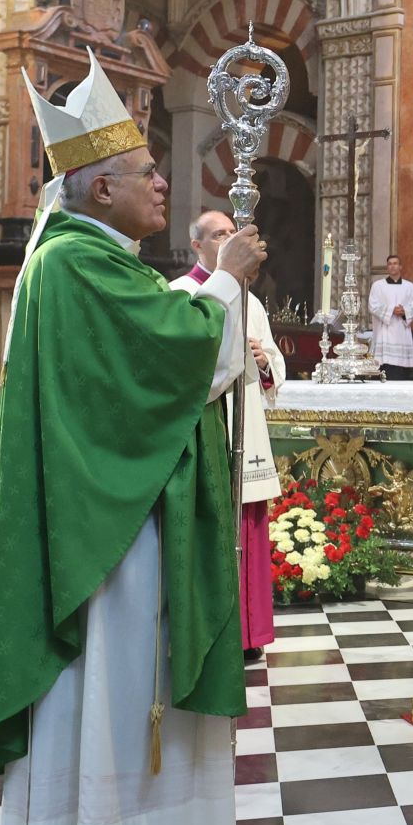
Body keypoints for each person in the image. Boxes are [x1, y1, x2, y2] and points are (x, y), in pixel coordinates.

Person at [0, 53, 265, 825]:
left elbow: (155, 338)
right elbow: (163, 357)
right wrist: (227, 283)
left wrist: (212, 293)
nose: (162, 184)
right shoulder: (73, 263)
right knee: (114, 667)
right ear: (98, 191)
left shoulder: (100, 261)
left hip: (124, 503)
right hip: (109, 524)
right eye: (144, 173)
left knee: (130, 673)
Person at [175, 209, 283, 662]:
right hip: (212, 428)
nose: (229, 239)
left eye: (231, 232)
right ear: (198, 245)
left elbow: (275, 369)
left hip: (248, 430)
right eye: (219, 234)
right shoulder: (181, 293)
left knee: (250, 528)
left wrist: (262, 362)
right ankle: (216, 634)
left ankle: (250, 633)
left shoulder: (250, 300)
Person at [368, 254, 413, 380]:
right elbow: (372, 305)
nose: (392, 266)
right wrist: (391, 310)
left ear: (400, 267)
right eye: (390, 264)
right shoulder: (378, 286)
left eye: (395, 263)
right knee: (385, 365)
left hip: (401, 332)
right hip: (384, 331)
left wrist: (404, 311)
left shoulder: (409, 287)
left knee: (400, 371)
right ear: (387, 267)